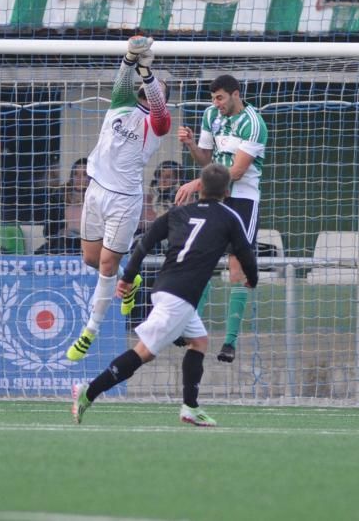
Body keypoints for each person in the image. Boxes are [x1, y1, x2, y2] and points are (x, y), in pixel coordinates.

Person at [72, 163, 259, 426]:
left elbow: (144, 243)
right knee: (143, 353)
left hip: (163, 287)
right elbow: (245, 254)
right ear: (226, 191)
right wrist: (254, 278)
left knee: (199, 341)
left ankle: (190, 407)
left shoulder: (178, 213)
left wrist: (127, 277)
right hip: (179, 298)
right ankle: (88, 391)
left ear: (200, 188)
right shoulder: (230, 217)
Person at [65, 36, 172, 361]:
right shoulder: (121, 104)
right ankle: (131, 277)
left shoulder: (158, 124)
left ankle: (90, 329)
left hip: (124, 200)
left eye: (158, 90)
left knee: (107, 266)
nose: (152, 90)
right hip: (96, 192)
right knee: (90, 258)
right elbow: (121, 83)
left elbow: (158, 106)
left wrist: (149, 73)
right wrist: (129, 58)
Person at [175, 74, 267, 363]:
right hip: (215, 196)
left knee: (236, 270)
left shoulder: (253, 123)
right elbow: (207, 161)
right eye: (213, 98)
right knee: (200, 260)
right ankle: (188, 327)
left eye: (220, 98)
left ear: (235, 94)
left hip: (242, 200)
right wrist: (191, 145)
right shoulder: (210, 115)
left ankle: (229, 343)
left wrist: (196, 184)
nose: (216, 104)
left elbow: (237, 172)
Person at [36, 158, 89, 254]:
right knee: (38, 256)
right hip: (61, 244)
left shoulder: (96, 201)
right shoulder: (58, 198)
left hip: (85, 247)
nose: (79, 178)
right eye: (76, 174)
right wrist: (60, 232)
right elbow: (48, 233)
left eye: (84, 174)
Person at [141, 160, 183, 227]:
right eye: (160, 176)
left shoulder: (185, 200)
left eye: (168, 177)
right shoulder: (145, 200)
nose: (163, 180)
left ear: (177, 180)